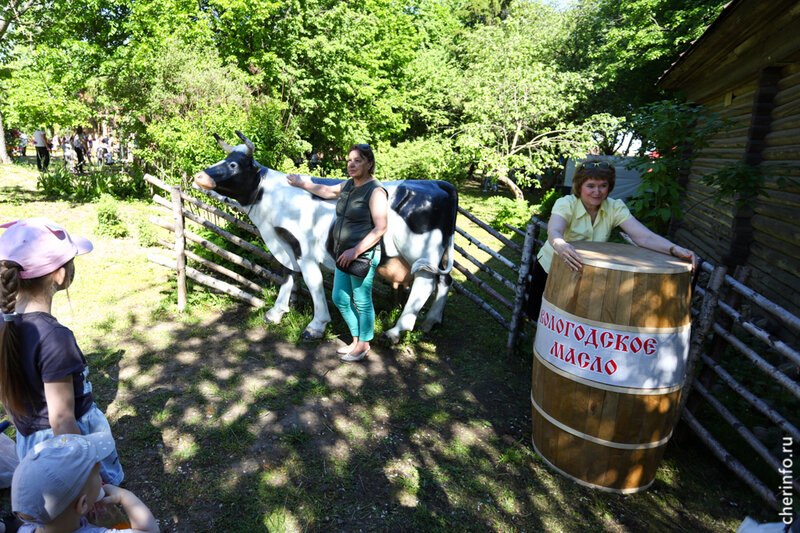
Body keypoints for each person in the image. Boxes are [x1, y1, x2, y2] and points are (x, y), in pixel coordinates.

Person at [0, 218, 124, 485]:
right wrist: (90, 478)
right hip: (65, 449)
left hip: (31, 443)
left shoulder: (4, 325)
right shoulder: (55, 338)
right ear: (60, 274)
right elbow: (62, 421)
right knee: (93, 505)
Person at [527, 159, 696, 318]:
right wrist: (561, 245)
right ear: (579, 186)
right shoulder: (566, 203)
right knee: (542, 317)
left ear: (610, 187)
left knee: (573, 319)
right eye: (590, 186)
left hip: (587, 273)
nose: (597, 192)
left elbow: (644, 237)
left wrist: (674, 249)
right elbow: (555, 230)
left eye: (603, 186)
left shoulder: (615, 207)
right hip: (552, 267)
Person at [287, 144, 388, 362]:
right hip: (343, 253)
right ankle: (356, 339)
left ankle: (363, 345)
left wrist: (355, 251)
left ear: (369, 163)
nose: (351, 164)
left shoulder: (376, 191)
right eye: (349, 160)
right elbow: (328, 191)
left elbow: (380, 228)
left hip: (362, 254)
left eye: (357, 161)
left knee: (361, 300)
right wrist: (301, 183)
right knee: (339, 297)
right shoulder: (349, 185)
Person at [12, 433, 159, 533]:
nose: (101, 478)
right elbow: (150, 530)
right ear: (82, 504)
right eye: (98, 474)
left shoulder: (25, 529)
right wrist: (124, 496)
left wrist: (78, 516)